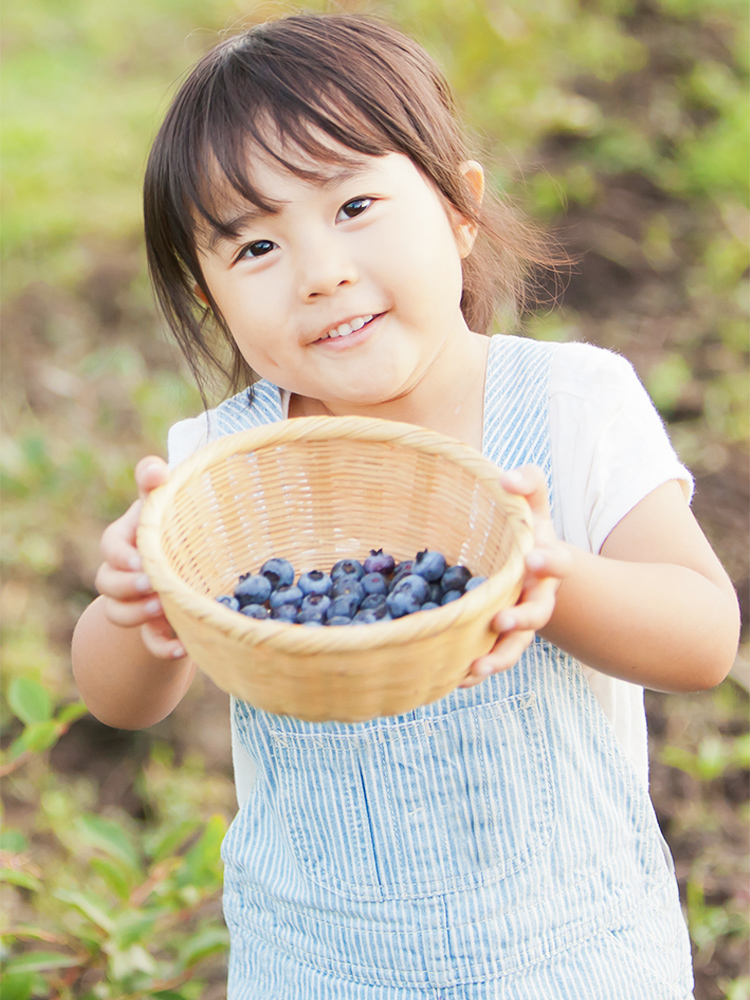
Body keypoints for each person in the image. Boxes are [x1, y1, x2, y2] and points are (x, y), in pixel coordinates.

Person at [71, 13, 740, 998]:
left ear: (459, 210)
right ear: (210, 298)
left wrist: (556, 575)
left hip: (576, 959)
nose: (321, 271)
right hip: (322, 968)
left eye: (354, 206)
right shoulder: (220, 468)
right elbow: (120, 699)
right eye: (254, 247)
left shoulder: (570, 406)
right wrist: (136, 603)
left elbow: (703, 634)